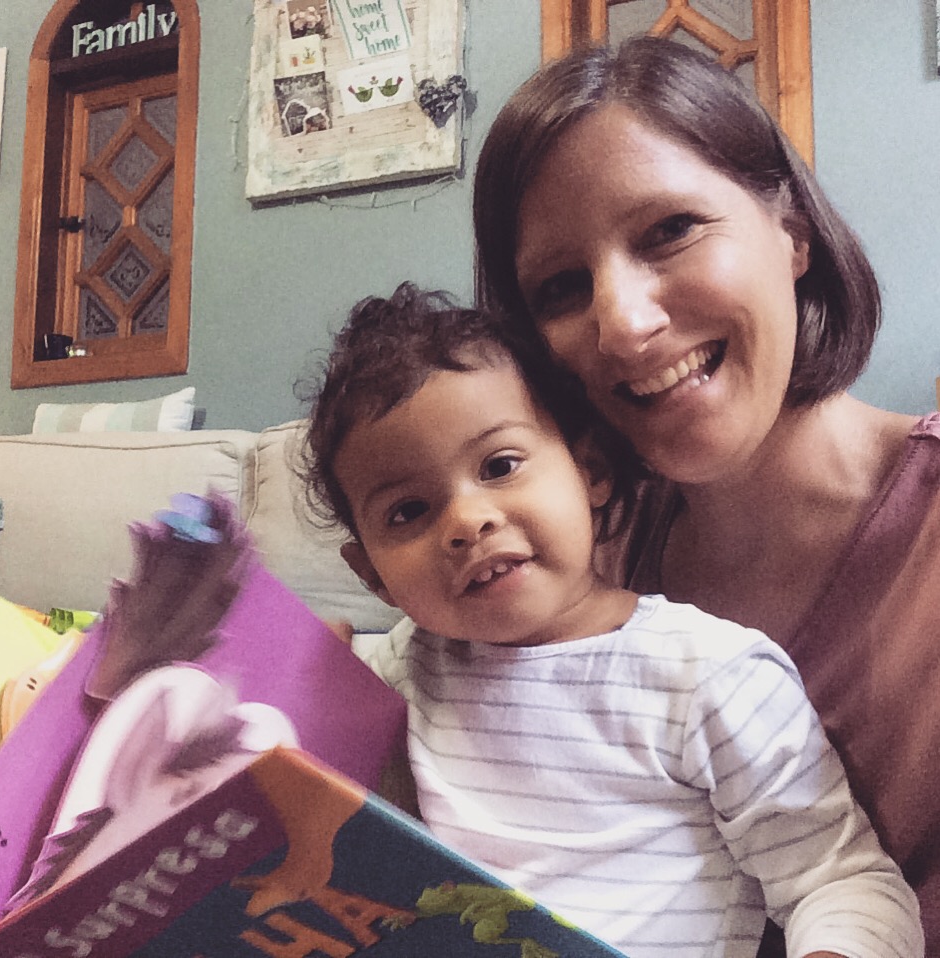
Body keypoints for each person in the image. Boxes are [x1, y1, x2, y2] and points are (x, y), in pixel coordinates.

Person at [472, 33, 940, 956]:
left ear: (792, 231)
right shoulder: (574, 569)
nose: (623, 324)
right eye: (562, 287)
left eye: (670, 231)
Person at [295, 281, 923, 958]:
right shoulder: (407, 665)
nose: (466, 521)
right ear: (373, 576)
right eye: (408, 512)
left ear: (589, 470)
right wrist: (299, 685)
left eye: (500, 465)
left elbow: (840, 881)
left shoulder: (709, 674)